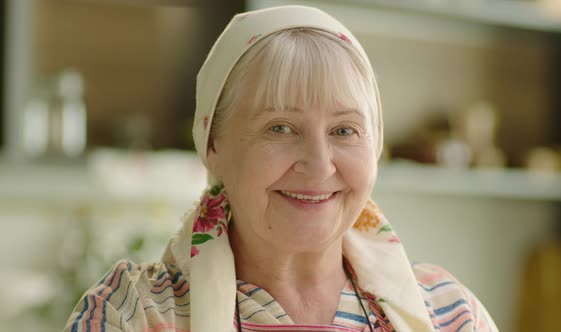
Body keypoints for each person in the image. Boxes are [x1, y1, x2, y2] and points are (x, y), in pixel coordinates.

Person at [65, 5, 498, 332]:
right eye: (281, 127)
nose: (318, 163)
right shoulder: (134, 314)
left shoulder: (450, 314)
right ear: (212, 144)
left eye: (345, 130)